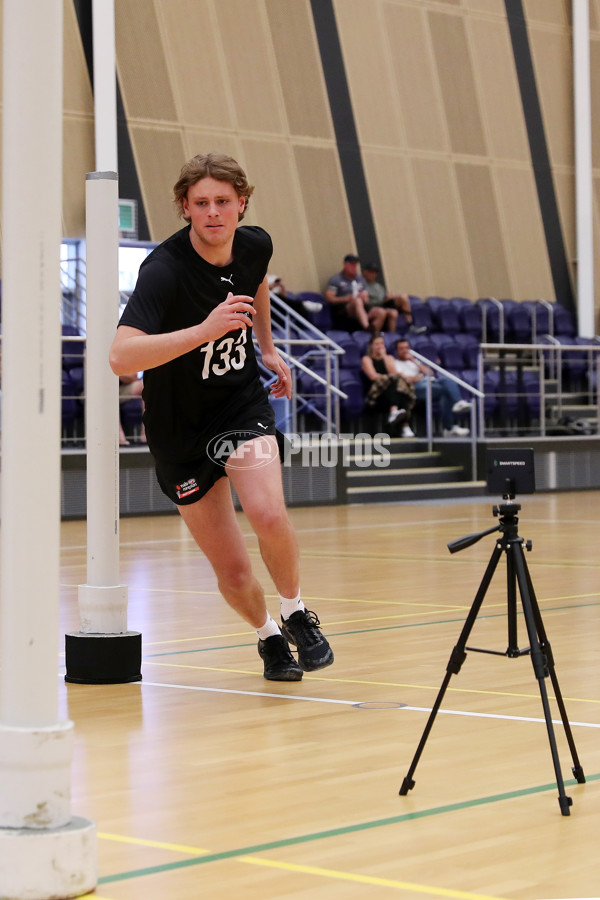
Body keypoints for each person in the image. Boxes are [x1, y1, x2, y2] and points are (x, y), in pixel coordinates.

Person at [109, 152, 333, 682]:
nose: (214, 212)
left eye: (223, 202)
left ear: (242, 203)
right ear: (185, 208)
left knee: (269, 513)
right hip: (178, 429)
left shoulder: (255, 243)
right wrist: (205, 331)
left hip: (238, 403)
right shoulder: (163, 271)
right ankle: (268, 637)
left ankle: (296, 610)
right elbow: (120, 357)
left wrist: (267, 348)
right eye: (202, 203)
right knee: (232, 572)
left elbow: (252, 283)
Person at [394, 338, 471, 437]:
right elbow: (400, 378)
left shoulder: (414, 361)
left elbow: (430, 373)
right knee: (446, 390)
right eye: (402, 348)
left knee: (448, 381)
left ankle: (457, 407)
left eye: (407, 348)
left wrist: (414, 361)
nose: (405, 350)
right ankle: (449, 426)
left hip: (428, 383)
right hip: (413, 388)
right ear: (397, 351)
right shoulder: (395, 363)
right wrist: (416, 378)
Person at [361, 334, 416, 437]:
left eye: (382, 343)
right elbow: (373, 376)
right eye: (377, 344)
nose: (380, 346)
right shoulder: (366, 359)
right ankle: (404, 426)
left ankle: (395, 413)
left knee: (400, 389)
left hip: (390, 394)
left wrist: (384, 356)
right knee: (394, 383)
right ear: (371, 346)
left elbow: (393, 372)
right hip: (376, 393)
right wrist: (388, 377)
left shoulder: (389, 357)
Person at [361, 262, 423, 333]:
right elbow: (366, 301)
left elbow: (383, 296)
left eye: (375, 272)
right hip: (371, 308)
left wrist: (391, 296)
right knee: (382, 311)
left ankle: (408, 326)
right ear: (365, 272)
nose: (373, 274)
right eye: (371, 272)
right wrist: (383, 298)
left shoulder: (378, 286)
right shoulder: (361, 283)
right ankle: (375, 335)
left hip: (382, 304)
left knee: (401, 300)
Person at [325, 254, 379, 331]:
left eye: (355, 265)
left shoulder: (360, 279)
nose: (354, 268)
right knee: (357, 301)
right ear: (345, 265)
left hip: (362, 307)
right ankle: (367, 328)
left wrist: (364, 297)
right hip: (343, 309)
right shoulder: (336, 279)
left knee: (381, 312)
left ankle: (376, 336)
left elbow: (366, 301)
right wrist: (346, 298)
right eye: (352, 265)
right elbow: (329, 298)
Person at [118, 373, 146, 445]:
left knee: (145, 385)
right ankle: (118, 437)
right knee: (107, 393)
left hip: (121, 388)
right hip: (98, 391)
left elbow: (134, 377)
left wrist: (114, 373)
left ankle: (145, 433)